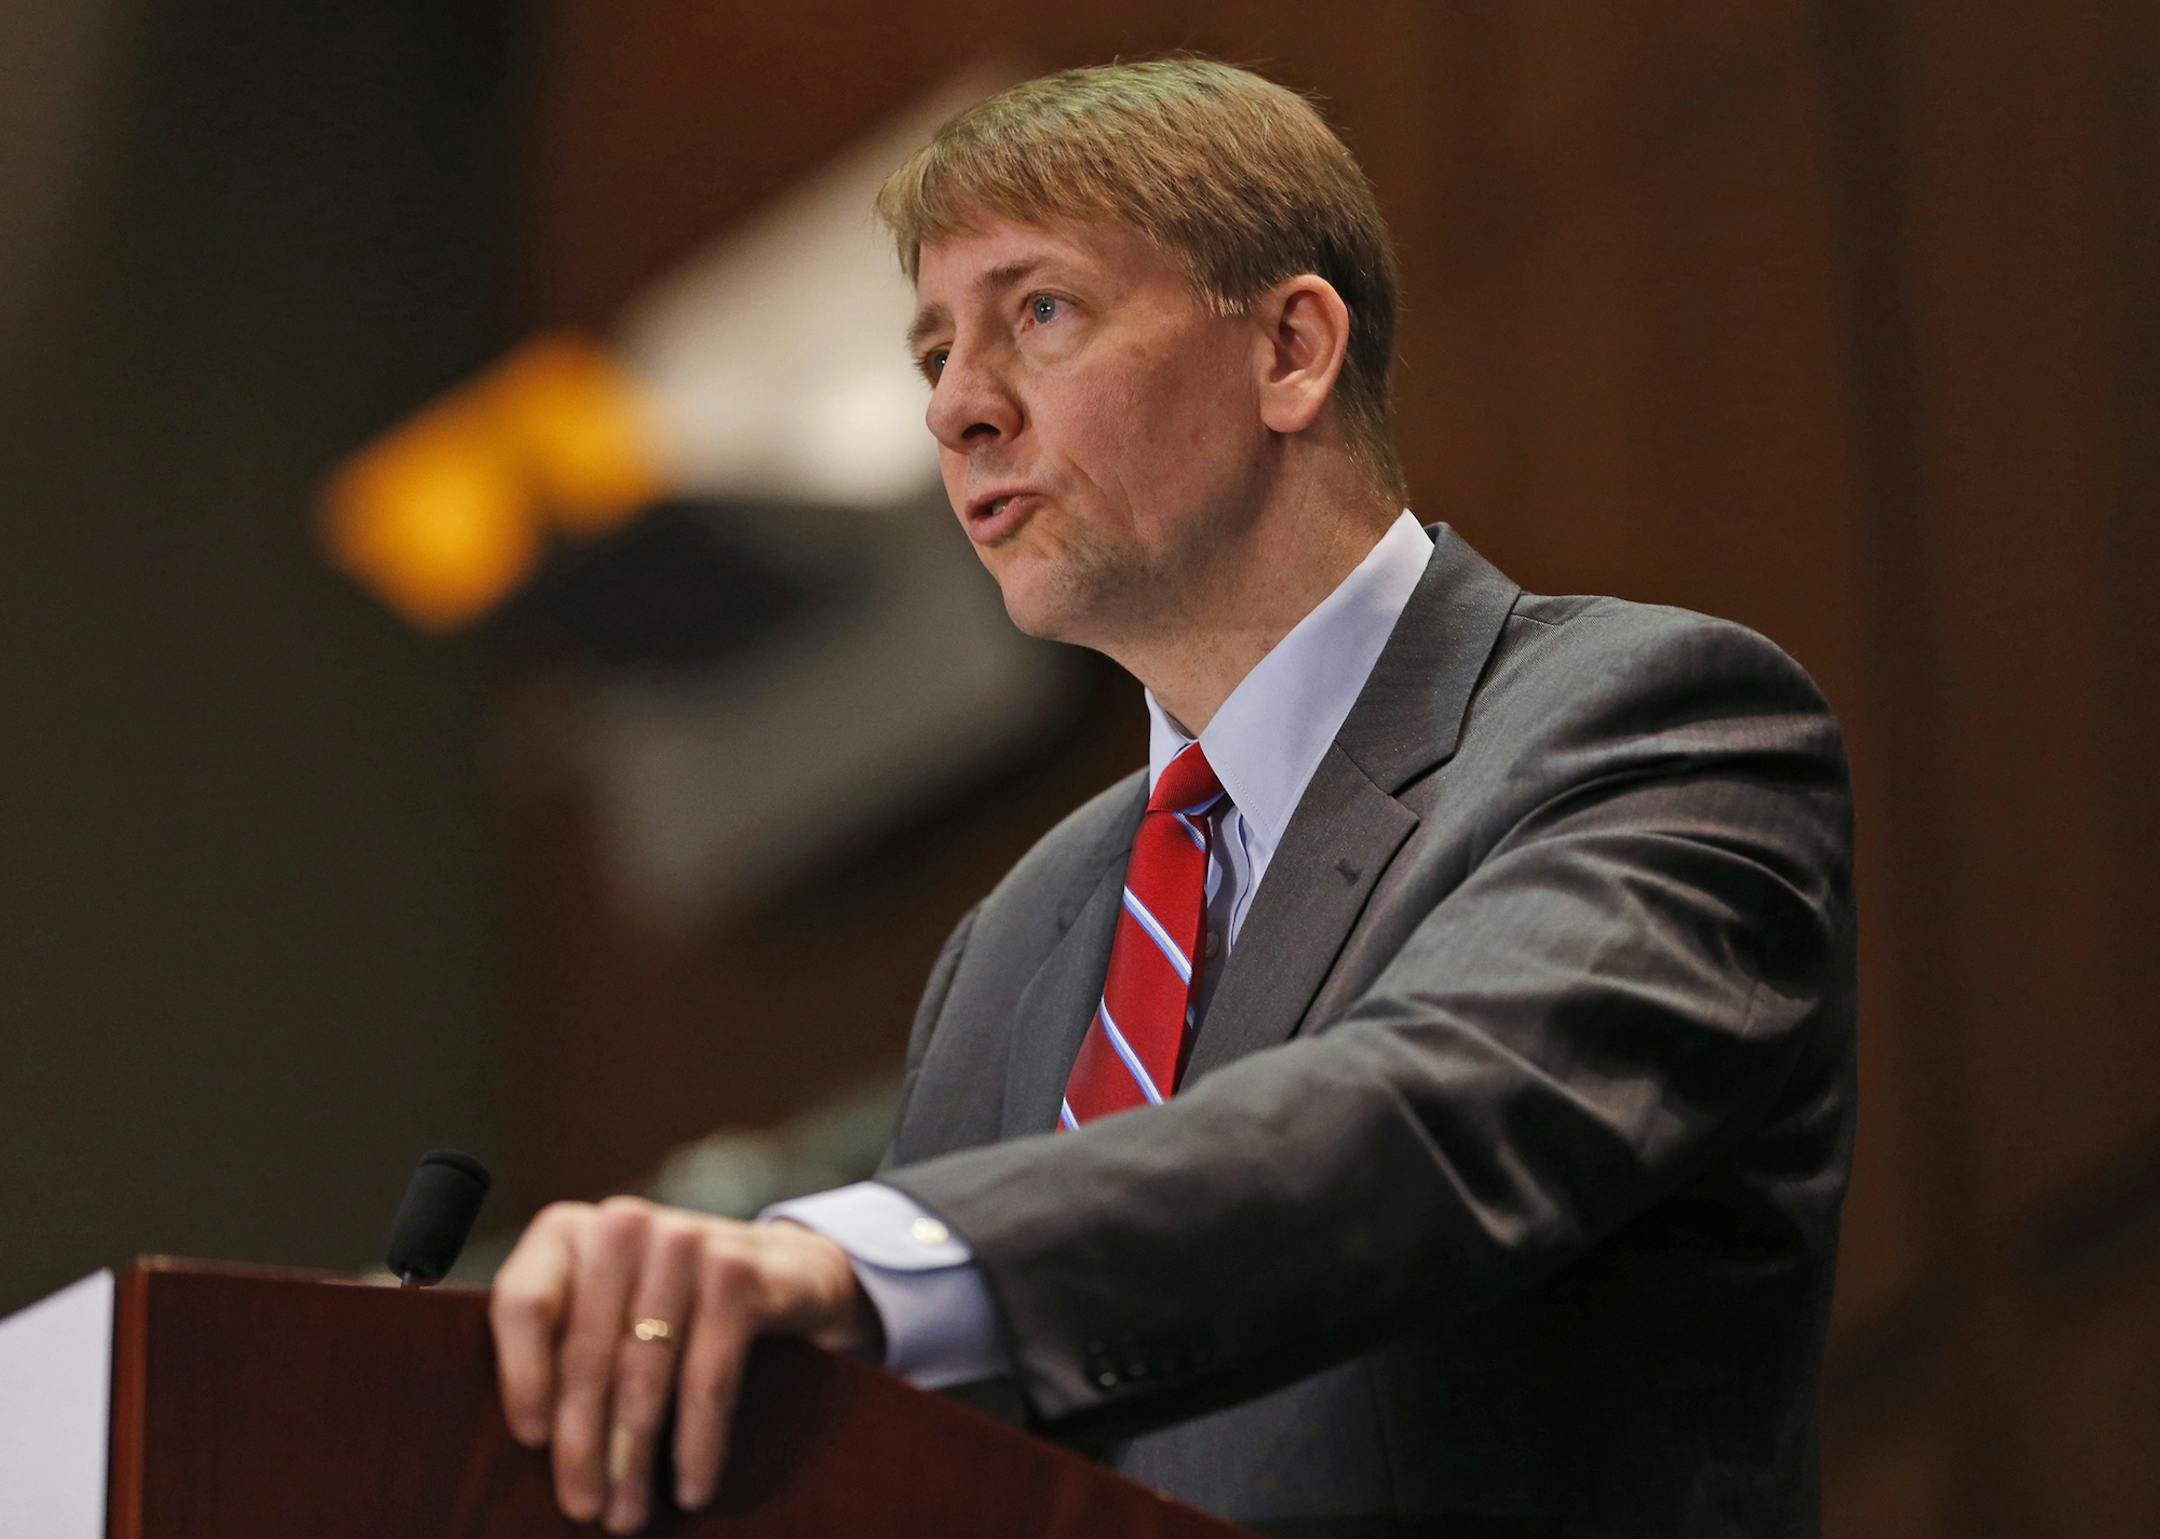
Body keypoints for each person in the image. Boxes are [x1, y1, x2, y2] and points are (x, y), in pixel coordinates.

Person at [488, 57, 1856, 1538]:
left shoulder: (1644, 723)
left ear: (1290, 351)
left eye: (1040, 313)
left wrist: (857, 1261)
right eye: (933, 350)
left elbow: (1426, 1122)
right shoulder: (1019, 942)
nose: (956, 409)